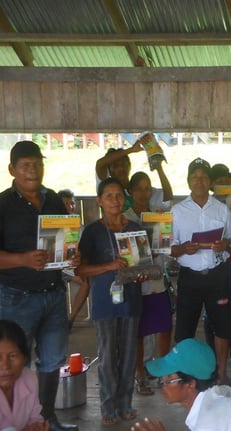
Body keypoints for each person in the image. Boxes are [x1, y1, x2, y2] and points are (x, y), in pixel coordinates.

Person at [0, 140, 79, 431]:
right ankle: (12, 422)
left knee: (53, 361)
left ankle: (45, 420)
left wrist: (72, 255)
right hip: (16, 298)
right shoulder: (3, 204)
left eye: (37, 163)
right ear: (12, 169)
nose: (32, 170)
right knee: (14, 362)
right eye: (25, 165)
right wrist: (22, 259)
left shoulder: (54, 200)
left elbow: (63, 241)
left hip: (54, 295)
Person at [76, 178, 146, 426]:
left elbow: (143, 263)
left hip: (131, 301)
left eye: (119, 195)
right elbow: (81, 270)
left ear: (125, 199)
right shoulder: (92, 232)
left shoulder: (135, 229)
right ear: (99, 201)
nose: (115, 200)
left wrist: (142, 273)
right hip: (104, 303)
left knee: (128, 355)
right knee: (107, 356)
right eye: (109, 196)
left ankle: (125, 404)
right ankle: (108, 406)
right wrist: (109, 266)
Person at [170, 158, 231, 392]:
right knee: (184, 330)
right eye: (195, 177)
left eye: (203, 177)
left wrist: (226, 244)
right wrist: (183, 248)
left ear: (210, 182)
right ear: (188, 181)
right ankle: (185, 378)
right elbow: (168, 247)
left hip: (216, 275)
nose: (199, 181)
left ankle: (221, 376)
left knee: (222, 328)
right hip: (189, 277)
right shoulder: (177, 211)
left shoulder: (221, 209)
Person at [131, 338, 231, 431]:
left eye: (168, 379)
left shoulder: (210, 420)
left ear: (190, 384)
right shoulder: (220, 396)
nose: (162, 384)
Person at [122, 171, 174, 397]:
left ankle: (161, 368)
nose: (143, 193)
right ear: (131, 192)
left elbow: (166, 243)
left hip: (156, 280)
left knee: (164, 325)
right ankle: (140, 374)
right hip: (135, 282)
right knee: (139, 330)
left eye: (147, 188)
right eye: (139, 189)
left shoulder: (156, 215)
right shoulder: (125, 218)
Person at [206, 163, 231, 369]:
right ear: (211, 185)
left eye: (226, 181)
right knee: (212, 307)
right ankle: (211, 354)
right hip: (213, 261)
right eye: (219, 181)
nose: (223, 184)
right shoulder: (207, 205)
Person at [95, 139, 173, 211]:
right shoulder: (105, 187)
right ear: (109, 169)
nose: (121, 168)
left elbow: (167, 199)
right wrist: (131, 150)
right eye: (115, 166)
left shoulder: (139, 188)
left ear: (129, 165)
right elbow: (100, 164)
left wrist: (159, 168)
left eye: (124, 164)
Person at [0, 319, 48, 431]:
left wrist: (36, 427)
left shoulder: (29, 379)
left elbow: (34, 417)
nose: (5, 366)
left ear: (24, 358)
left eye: (12, 356)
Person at [58, 189, 91, 329]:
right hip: (53, 266)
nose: (70, 207)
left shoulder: (78, 226)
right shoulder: (51, 223)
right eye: (66, 204)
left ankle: (70, 320)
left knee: (86, 283)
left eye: (72, 203)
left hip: (70, 266)